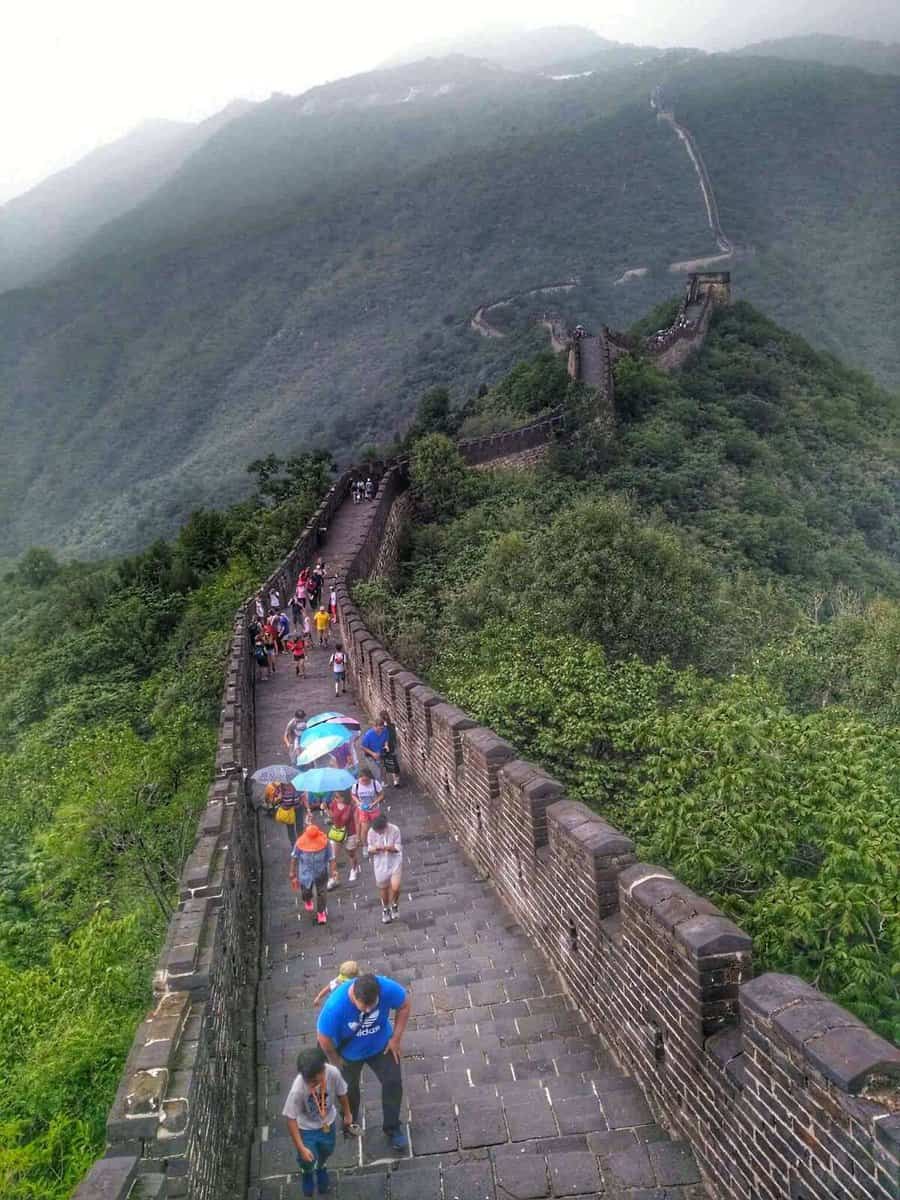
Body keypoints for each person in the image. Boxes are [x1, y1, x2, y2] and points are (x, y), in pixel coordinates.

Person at [317, 972, 410, 1153]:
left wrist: (396, 1039)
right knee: (348, 1091)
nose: (368, 1011)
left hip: (381, 1046)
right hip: (348, 1055)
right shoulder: (335, 1007)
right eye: (363, 1007)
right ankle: (349, 1123)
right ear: (353, 995)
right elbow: (324, 1039)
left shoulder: (385, 987)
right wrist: (336, 1061)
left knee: (393, 1082)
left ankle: (392, 1127)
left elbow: (405, 1005)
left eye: (372, 1006)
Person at [283, 1046, 354, 1197]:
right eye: (308, 1081)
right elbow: (291, 1118)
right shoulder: (297, 1090)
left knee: (326, 1150)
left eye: (315, 1081)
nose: (311, 1086)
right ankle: (307, 1172)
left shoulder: (333, 1073)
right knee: (307, 1158)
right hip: (307, 1129)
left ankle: (321, 1166)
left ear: (323, 1070)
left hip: (328, 1122)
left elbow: (342, 1093)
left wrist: (347, 1113)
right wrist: (301, 1147)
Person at [290, 824, 330, 925]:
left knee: (322, 893)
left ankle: (321, 913)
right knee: (306, 891)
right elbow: (294, 857)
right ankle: (307, 899)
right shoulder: (300, 843)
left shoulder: (325, 842)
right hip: (306, 873)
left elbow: (331, 856)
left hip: (321, 871)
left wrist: (334, 871)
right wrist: (292, 872)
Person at [368, 812, 403, 923]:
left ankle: (395, 904)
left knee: (395, 887)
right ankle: (386, 908)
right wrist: (376, 849)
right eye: (377, 831)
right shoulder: (371, 832)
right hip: (380, 863)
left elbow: (398, 847)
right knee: (383, 888)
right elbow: (369, 848)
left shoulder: (395, 830)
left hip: (394, 861)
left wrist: (389, 848)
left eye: (380, 830)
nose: (378, 833)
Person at [326, 790, 360, 889]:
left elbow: (357, 822)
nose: (335, 799)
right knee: (333, 857)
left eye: (337, 797)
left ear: (343, 797)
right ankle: (334, 878)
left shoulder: (352, 807)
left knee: (351, 853)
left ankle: (354, 869)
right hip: (337, 833)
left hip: (350, 833)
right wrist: (326, 809)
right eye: (335, 797)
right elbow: (332, 817)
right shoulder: (334, 804)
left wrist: (358, 836)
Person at [351, 768, 384, 857]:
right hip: (363, 810)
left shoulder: (375, 783)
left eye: (367, 780)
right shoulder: (356, 785)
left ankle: (378, 844)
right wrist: (358, 802)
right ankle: (365, 846)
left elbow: (381, 795)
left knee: (377, 827)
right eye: (363, 780)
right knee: (364, 829)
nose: (365, 782)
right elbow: (353, 795)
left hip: (374, 810)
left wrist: (374, 803)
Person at [360, 717, 399, 786]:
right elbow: (362, 747)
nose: (381, 730)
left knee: (382, 769)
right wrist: (373, 754)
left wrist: (386, 745)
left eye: (382, 728)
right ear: (375, 727)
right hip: (370, 756)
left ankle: (383, 782)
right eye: (379, 729)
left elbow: (386, 739)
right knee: (376, 772)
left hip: (380, 753)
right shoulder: (368, 735)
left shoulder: (385, 730)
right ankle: (377, 787)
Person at [267, 781, 304, 847]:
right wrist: (279, 797)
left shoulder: (298, 783)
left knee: (300, 827)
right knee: (290, 829)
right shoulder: (279, 787)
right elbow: (273, 802)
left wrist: (304, 805)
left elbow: (303, 796)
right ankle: (294, 846)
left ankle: (301, 845)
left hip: (298, 809)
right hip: (287, 811)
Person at [379, 710, 401, 788]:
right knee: (391, 763)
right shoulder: (391, 726)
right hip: (388, 748)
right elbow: (396, 737)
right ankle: (394, 781)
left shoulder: (384, 727)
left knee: (386, 764)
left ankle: (388, 781)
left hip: (387, 748)